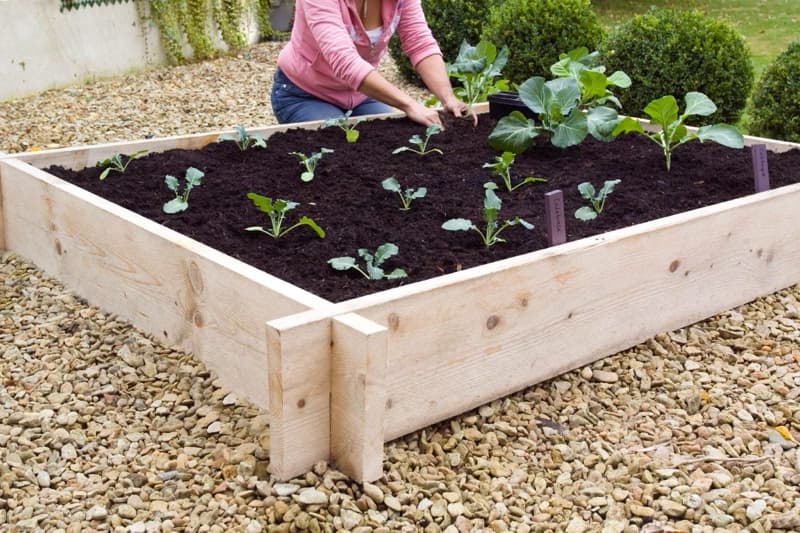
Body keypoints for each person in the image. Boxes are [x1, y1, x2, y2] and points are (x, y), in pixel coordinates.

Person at [270, 0, 471, 127]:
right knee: (337, 149)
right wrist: (410, 104)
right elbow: (343, 60)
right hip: (305, 94)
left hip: (361, 94)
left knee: (396, 143)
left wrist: (448, 97)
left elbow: (420, 43)